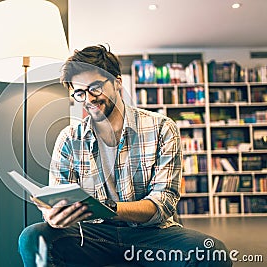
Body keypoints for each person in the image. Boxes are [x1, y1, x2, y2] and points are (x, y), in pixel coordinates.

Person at [18, 45, 232, 267]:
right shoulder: (69, 138)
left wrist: (110, 209)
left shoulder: (162, 128)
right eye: (80, 93)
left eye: (95, 88)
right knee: (33, 238)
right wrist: (54, 215)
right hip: (91, 236)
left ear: (117, 82)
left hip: (151, 235)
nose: (89, 99)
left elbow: (163, 203)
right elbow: (59, 195)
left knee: (212, 253)